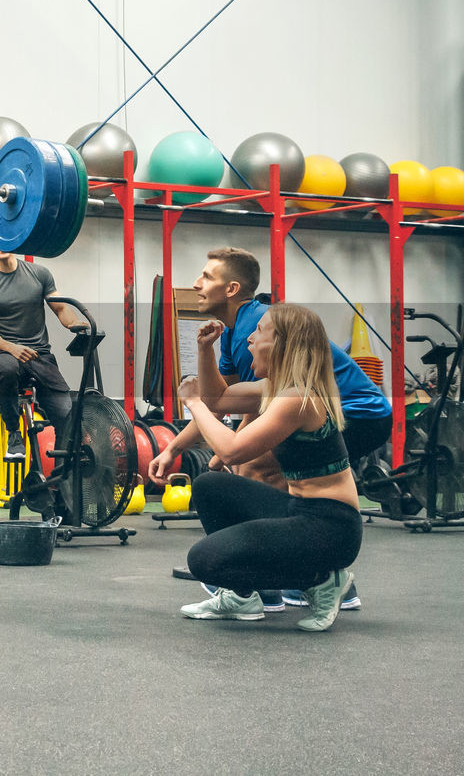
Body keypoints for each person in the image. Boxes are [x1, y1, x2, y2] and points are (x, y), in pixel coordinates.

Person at [150, 247, 390, 611]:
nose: (196, 285)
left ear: (231, 289)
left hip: (361, 412)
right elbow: (222, 399)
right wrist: (174, 446)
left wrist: (214, 435)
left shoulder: (264, 339)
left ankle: (308, 579)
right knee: (220, 481)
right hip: (311, 446)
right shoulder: (238, 338)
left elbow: (237, 428)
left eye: (207, 277)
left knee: (254, 468)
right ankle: (254, 585)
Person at [173, 304, 363, 632]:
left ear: (283, 344)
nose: (249, 339)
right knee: (209, 486)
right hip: (300, 510)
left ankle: (321, 580)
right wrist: (206, 350)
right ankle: (241, 597)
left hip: (332, 529)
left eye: (259, 331)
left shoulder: (298, 399)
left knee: (204, 561)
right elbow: (219, 399)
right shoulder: (281, 390)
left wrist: (192, 403)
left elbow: (231, 451)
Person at [0, 238, 86, 463]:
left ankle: (64, 478)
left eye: (6, 239)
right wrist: (13, 348)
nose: (1, 245)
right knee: (6, 367)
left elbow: (61, 309)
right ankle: (14, 434)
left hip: (40, 356)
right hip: (3, 353)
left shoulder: (40, 274)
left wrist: (76, 323)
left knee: (65, 414)